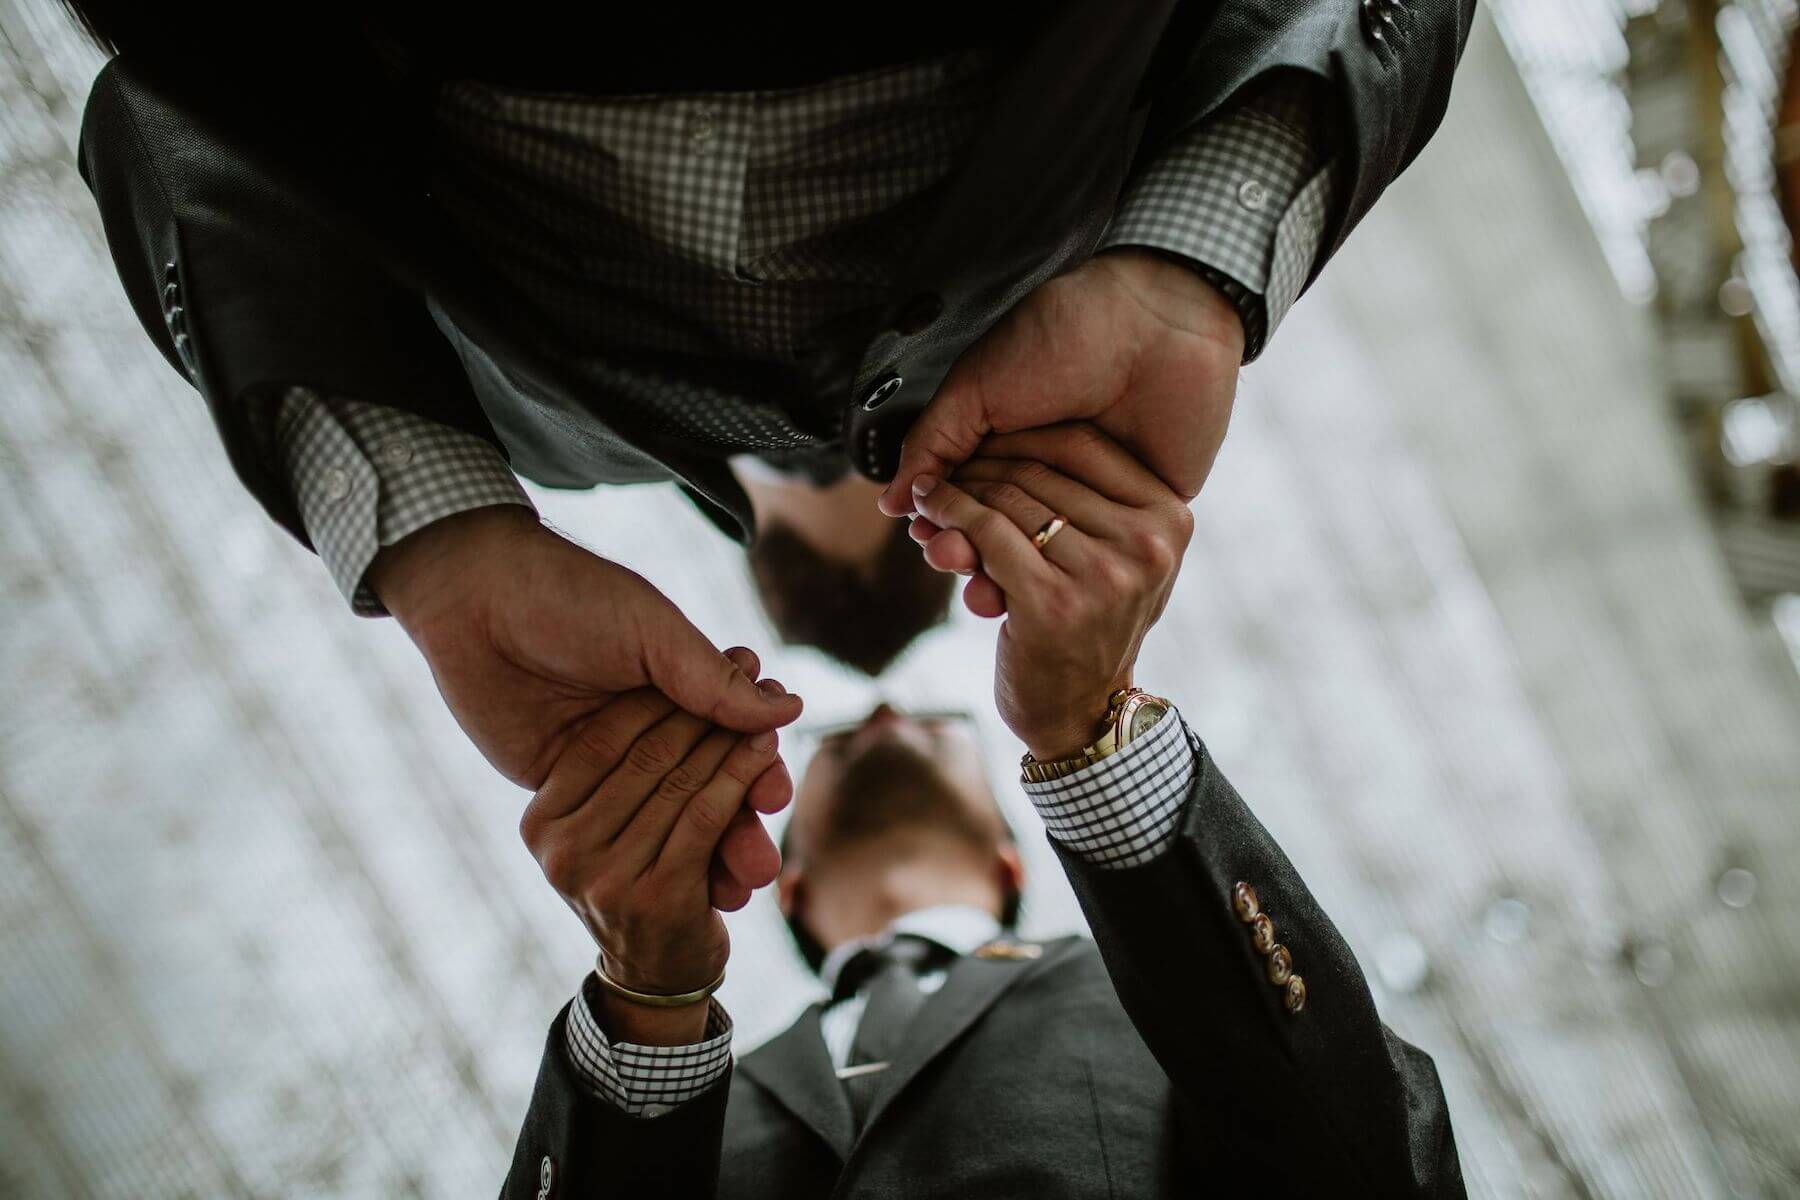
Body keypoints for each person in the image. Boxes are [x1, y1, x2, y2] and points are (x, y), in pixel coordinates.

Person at [65, 2, 1475, 878]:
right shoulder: (1093, 267)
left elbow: (167, 123)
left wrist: (441, 551)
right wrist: (1191, 270)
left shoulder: (527, 438)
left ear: (752, 553)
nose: (881, 487)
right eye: (929, 517)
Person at [505, 426, 1464, 1197]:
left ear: (1013, 857)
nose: (885, 712)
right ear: (781, 881)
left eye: (929, 719)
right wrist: (650, 995)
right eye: (842, 736)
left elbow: (1355, 1155)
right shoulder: (706, 1087)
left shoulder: (1160, 996)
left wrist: (1088, 730)